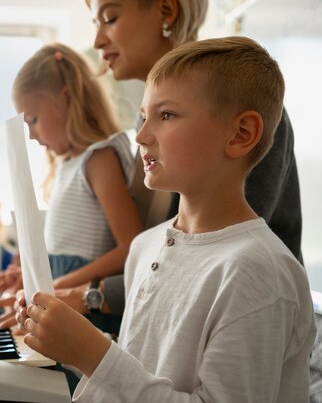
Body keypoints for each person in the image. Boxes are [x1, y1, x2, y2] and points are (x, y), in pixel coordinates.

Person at [16, 35, 316, 402]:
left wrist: (92, 352)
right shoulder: (146, 247)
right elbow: (140, 373)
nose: (141, 135)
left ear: (241, 134)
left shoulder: (258, 273)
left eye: (167, 115)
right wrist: (67, 340)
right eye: (143, 116)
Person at [0, 0, 305, 327]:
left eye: (109, 19)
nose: (97, 42)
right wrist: (42, 274)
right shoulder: (144, 127)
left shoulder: (239, 105)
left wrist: (81, 294)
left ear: (166, 11)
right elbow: (151, 249)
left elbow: (208, 261)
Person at [0, 42, 143, 309]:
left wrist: (57, 286)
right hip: (62, 298)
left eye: (33, 120)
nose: (31, 136)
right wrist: (33, 275)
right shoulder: (68, 164)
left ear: (66, 97)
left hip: (85, 305)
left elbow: (131, 246)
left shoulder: (98, 159)